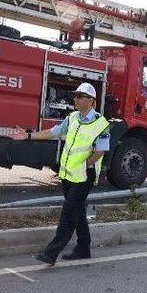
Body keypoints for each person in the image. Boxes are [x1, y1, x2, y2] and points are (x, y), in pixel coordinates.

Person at [10, 82, 110, 265]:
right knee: (78, 211)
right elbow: (53, 133)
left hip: (84, 176)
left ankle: (51, 253)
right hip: (68, 174)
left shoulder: (101, 124)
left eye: (80, 96)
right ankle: (83, 247)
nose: (76, 99)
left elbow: (101, 151)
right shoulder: (71, 118)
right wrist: (29, 135)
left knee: (68, 213)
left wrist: (85, 165)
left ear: (91, 101)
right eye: (76, 96)